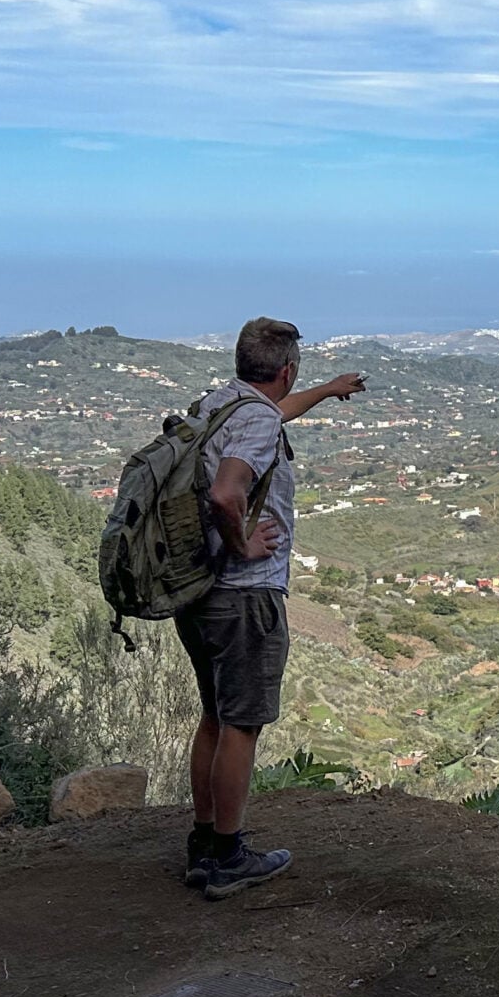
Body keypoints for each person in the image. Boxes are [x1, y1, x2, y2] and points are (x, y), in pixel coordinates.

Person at [177, 316, 364, 897]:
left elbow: (270, 415)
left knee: (214, 715)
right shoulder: (256, 419)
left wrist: (328, 390)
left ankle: (204, 843)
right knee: (242, 724)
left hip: (198, 591)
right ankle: (231, 857)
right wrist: (243, 542)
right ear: (285, 369)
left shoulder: (219, 405)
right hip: (244, 595)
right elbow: (226, 491)